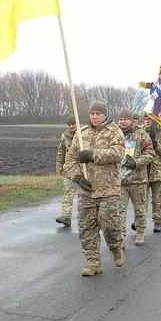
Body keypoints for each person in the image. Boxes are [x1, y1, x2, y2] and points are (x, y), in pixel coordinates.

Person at [67, 101, 126, 276]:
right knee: (86, 227)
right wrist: (77, 177)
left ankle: (116, 248)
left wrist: (92, 155)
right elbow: (70, 158)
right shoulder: (81, 133)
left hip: (108, 188)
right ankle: (93, 262)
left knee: (109, 224)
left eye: (97, 114)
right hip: (86, 189)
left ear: (104, 115)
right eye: (92, 114)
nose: (94, 117)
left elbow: (118, 153)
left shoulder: (114, 131)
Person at [120, 111, 155, 246]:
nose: (123, 122)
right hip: (120, 181)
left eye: (126, 119)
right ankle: (120, 237)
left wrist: (136, 162)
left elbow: (150, 153)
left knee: (140, 209)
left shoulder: (141, 134)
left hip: (138, 180)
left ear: (132, 121)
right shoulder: (116, 134)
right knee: (119, 211)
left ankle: (140, 232)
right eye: (121, 119)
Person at [54, 115, 79, 227]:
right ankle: (66, 216)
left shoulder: (85, 134)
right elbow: (61, 152)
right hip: (69, 169)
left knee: (84, 195)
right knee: (68, 192)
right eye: (69, 124)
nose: (71, 126)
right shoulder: (65, 136)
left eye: (73, 124)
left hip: (83, 169)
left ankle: (85, 218)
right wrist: (59, 166)